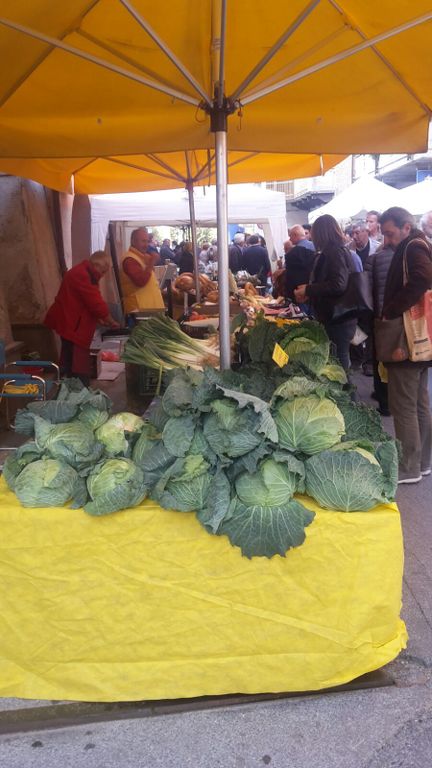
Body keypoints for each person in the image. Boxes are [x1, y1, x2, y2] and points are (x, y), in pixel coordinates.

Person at [379, 206, 432, 484]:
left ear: (406, 228)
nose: (387, 240)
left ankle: (409, 467)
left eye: (390, 233)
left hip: (406, 340)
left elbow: (423, 278)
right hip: (420, 340)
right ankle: (422, 463)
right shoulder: (420, 243)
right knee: (419, 402)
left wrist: (392, 309)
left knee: (404, 406)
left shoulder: (413, 247)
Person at [44, 251, 119, 386]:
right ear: (96, 265)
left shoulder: (85, 272)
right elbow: (96, 303)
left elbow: (85, 301)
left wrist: (99, 318)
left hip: (72, 323)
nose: (102, 275)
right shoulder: (83, 275)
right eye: (102, 271)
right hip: (72, 325)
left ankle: (70, 387)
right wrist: (110, 320)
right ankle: (78, 389)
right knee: (77, 363)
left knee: (71, 359)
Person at [294, 214, 357, 373]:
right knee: (338, 359)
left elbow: (338, 284)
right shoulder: (335, 251)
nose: (312, 237)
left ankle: (347, 389)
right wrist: (310, 290)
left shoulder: (335, 252)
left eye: (314, 232)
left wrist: (309, 289)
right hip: (338, 316)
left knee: (338, 362)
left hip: (338, 318)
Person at [364, 245, 394, 416]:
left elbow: (366, 291)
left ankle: (384, 401)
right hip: (402, 318)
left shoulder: (375, 258)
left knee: (380, 359)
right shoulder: (408, 257)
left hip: (380, 318)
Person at [120, 227, 164, 313]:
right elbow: (140, 281)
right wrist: (151, 263)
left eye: (147, 241)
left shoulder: (141, 257)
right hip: (139, 310)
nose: (146, 245)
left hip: (149, 309)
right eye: (143, 241)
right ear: (133, 241)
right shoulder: (129, 259)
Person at [284, 234, 316, 301]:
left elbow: (291, 276)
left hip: (297, 291)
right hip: (310, 288)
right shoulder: (312, 248)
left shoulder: (291, 255)